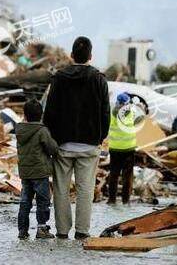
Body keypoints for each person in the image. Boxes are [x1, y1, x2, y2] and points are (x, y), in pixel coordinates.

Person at [43, 36, 110, 240]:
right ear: (90, 56)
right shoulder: (99, 79)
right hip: (89, 145)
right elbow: (105, 112)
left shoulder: (59, 78)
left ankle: (62, 230)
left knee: (61, 190)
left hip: (63, 144)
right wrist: (100, 137)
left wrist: (51, 139)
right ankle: (82, 231)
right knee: (85, 190)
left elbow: (50, 112)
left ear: (72, 55)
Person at [16, 99, 58, 240]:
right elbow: (52, 148)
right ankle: (41, 229)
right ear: (41, 115)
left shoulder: (20, 130)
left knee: (25, 201)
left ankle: (22, 230)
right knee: (42, 201)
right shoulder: (42, 131)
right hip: (40, 172)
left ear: (25, 115)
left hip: (25, 172)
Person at [107, 93, 137, 205]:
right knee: (127, 176)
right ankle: (126, 200)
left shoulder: (112, 113)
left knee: (114, 175)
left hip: (115, 148)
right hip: (128, 148)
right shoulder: (131, 112)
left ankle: (111, 200)